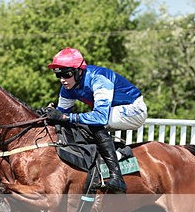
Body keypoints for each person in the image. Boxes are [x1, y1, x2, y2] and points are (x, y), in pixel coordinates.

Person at [42, 47, 148, 194]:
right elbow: (61, 115)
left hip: (134, 110)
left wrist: (66, 117)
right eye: (58, 75)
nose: (63, 80)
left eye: (66, 74)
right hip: (111, 112)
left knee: (93, 122)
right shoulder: (67, 87)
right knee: (74, 123)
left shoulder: (99, 78)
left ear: (79, 71)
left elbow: (100, 117)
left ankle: (117, 177)